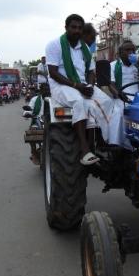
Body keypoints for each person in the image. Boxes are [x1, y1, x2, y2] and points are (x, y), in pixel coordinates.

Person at [46, 13, 126, 165]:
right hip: (61, 86)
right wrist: (78, 86)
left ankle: (107, 143)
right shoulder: (54, 45)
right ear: (66, 27)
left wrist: (88, 85)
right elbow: (53, 72)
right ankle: (84, 150)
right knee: (78, 102)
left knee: (108, 102)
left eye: (79, 28)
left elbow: (90, 72)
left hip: (82, 84)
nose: (76, 30)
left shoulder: (85, 49)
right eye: (73, 27)